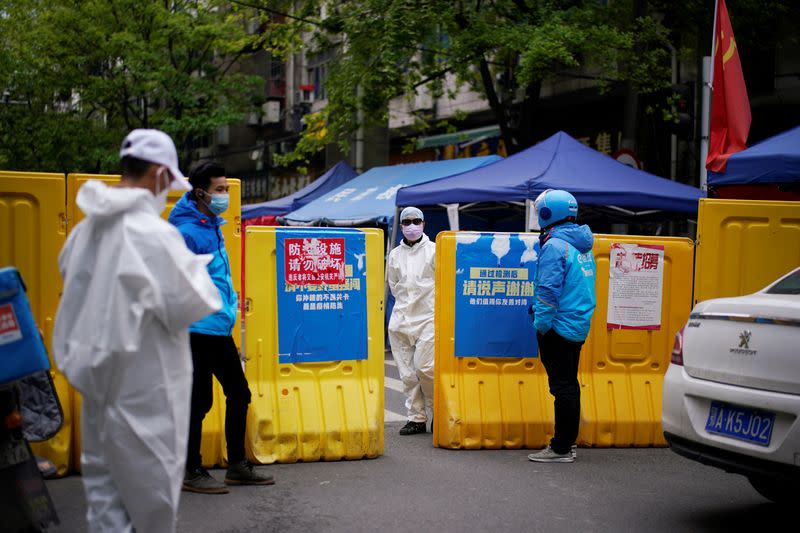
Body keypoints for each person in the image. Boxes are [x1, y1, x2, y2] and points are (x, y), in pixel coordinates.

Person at [53, 129, 222, 532]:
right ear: (161, 174)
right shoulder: (153, 235)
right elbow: (193, 303)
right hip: (147, 395)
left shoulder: (85, 231)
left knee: (105, 507)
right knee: (152, 510)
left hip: (97, 390)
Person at [169, 161, 274, 494]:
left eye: (226, 188)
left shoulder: (210, 223)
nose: (225, 195)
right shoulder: (188, 232)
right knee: (199, 401)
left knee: (238, 393)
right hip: (197, 328)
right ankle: (191, 470)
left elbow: (218, 277)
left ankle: (237, 466)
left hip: (217, 326)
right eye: (220, 189)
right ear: (200, 192)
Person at [527, 189, 596, 463]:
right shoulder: (580, 243)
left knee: (562, 387)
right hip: (576, 323)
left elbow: (547, 292)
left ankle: (561, 448)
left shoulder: (554, 246)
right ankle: (568, 442)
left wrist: (540, 325)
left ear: (547, 213)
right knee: (569, 384)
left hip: (558, 326)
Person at [386, 207, 436, 435]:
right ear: (402, 226)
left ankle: (438, 414)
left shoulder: (436, 251)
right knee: (407, 374)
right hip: (401, 319)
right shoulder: (395, 254)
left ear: (424, 224)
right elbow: (394, 285)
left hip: (428, 317)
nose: (412, 225)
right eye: (407, 222)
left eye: (417, 221)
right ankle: (416, 418)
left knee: (426, 368)